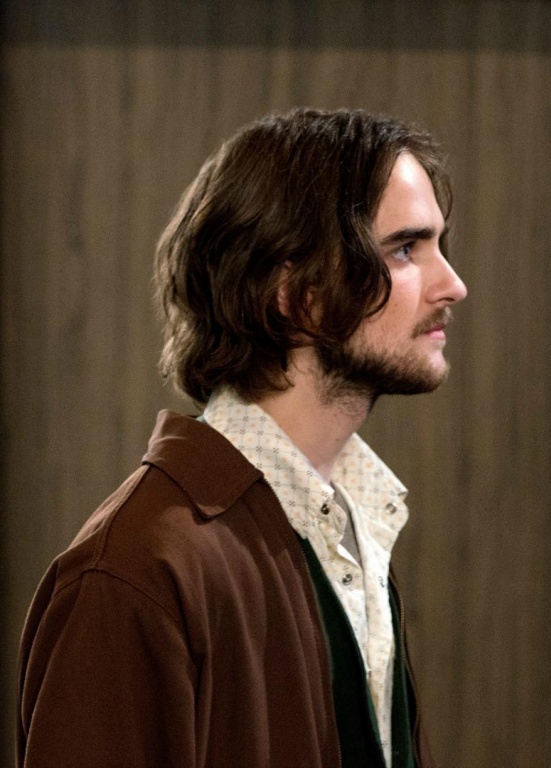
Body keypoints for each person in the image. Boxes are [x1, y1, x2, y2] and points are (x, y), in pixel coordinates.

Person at [17, 108, 466, 768]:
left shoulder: (351, 526)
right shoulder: (135, 570)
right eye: (404, 249)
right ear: (293, 295)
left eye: (438, 246)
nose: (453, 284)